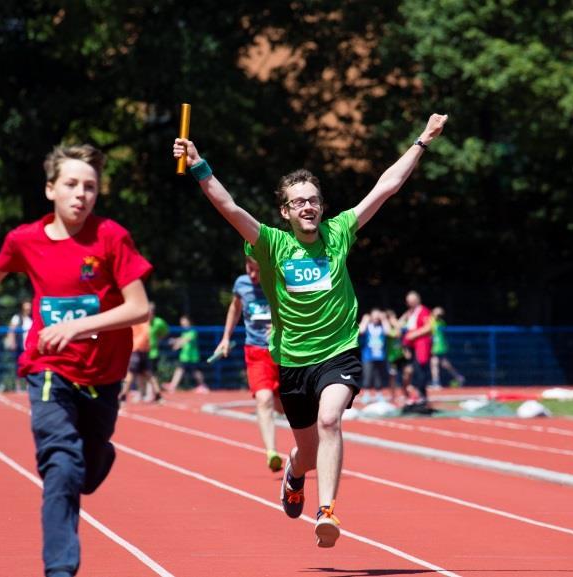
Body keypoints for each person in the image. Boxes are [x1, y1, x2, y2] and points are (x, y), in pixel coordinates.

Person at [173, 112, 448, 547]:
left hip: (338, 351)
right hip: (292, 360)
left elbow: (385, 187)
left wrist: (423, 140)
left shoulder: (339, 233)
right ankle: (294, 474)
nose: (308, 206)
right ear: (285, 211)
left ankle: (327, 511)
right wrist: (199, 163)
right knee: (306, 451)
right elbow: (228, 207)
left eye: (314, 199)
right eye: (299, 201)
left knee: (330, 420)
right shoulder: (271, 244)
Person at [0, 144, 152, 577]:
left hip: (103, 375)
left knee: (84, 472)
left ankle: (99, 457)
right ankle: (60, 568)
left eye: (90, 187)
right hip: (49, 367)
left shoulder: (111, 237)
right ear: (50, 189)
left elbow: (139, 308)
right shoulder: (25, 240)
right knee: (60, 464)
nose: (81, 194)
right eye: (71, 185)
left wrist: (79, 324)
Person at [212, 255, 285, 472]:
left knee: (284, 406)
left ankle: (313, 443)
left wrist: (282, 327)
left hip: (284, 353)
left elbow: (301, 310)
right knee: (264, 399)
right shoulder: (241, 284)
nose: (252, 275)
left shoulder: (280, 281)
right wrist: (226, 337)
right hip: (256, 352)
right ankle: (272, 451)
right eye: (249, 268)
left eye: (257, 270)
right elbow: (235, 308)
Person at [400, 290, 433, 403]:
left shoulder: (424, 311)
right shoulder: (410, 313)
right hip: (411, 346)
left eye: (411, 301)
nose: (409, 303)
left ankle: (422, 395)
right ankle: (413, 394)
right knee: (411, 371)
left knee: (420, 370)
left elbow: (428, 327)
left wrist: (414, 334)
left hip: (421, 345)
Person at [165, 314, 208, 393]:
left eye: (184, 322)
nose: (183, 324)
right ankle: (173, 386)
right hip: (184, 356)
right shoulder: (185, 333)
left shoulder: (193, 331)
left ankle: (203, 386)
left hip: (192, 357)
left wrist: (176, 343)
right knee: (180, 370)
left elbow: (185, 340)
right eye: (182, 322)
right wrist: (176, 342)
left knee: (195, 372)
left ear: (189, 322)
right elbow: (182, 339)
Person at [358, 308, 392, 403]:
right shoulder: (367, 326)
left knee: (379, 376)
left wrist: (384, 319)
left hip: (380, 356)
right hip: (368, 356)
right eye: (374, 316)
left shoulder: (382, 326)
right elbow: (361, 331)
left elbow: (388, 332)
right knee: (367, 375)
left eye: (378, 317)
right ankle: (367, 394)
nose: (376, 319)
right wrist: (365, 319)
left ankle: (379, 394)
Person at [430, 306, 465, 388]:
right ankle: (458, 377)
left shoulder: (440, 322)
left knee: (435, 363)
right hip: (435, 345)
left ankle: (436, 382)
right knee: (441, 363)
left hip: (438, 346)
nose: (438, 315)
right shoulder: (431, 320)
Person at [4, 299, 33, 391]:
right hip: (20, 346)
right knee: (19, 366)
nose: (28, 309)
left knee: (30, 366)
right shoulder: (17, 317)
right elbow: (11, 330)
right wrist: (12, 341)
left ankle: (29, 386)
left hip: (30, 346)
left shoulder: (33, 318)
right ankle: (18, 387)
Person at [146, 302, 169, 389]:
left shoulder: (159, 322)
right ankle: (142, 392)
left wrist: (158, 339)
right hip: (141, 351)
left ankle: (152, 392)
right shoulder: (141, 322)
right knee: (142, 373)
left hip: (153, 352)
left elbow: (164, 333)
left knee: (151, 373)